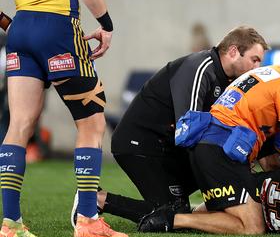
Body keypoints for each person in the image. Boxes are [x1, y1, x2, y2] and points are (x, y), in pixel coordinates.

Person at [0, 0, 127, 237]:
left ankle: (10, 223)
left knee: (19, 125)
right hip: (58, 29)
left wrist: (9, 23)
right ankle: (88, 220)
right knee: (92, 122)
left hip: (21, 30)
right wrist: (106, 23)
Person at [70, 26, 268, 226]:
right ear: (234, 52)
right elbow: (189, 130)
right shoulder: (200, 67)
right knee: (172, 214)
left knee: (178, 210)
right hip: (140, 143)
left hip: (166, 147)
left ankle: (170, 208)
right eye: (255, 59)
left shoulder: (228, 80)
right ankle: (94, 199)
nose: (257, 68)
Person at [169, 59, 280, 235]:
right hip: (221, 149)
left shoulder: (277, 73)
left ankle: (182, 220)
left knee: (229, 209)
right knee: (253, 227)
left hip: (209, 144)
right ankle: (173, 219)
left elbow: (270, 147)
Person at [139, 160, 280, 235]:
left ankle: (172, 218)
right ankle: (174, 219)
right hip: (247, 194)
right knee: (251, 228)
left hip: (247, 185)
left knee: (195, 215)